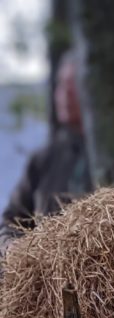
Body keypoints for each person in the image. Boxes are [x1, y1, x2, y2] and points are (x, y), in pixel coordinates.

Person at [0, 51, 93, 258]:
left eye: (74, 84)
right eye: (61, 85)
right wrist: (12, 248)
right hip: (48, 280)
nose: (65, 94)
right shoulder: (45, 158)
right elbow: (11, 221)